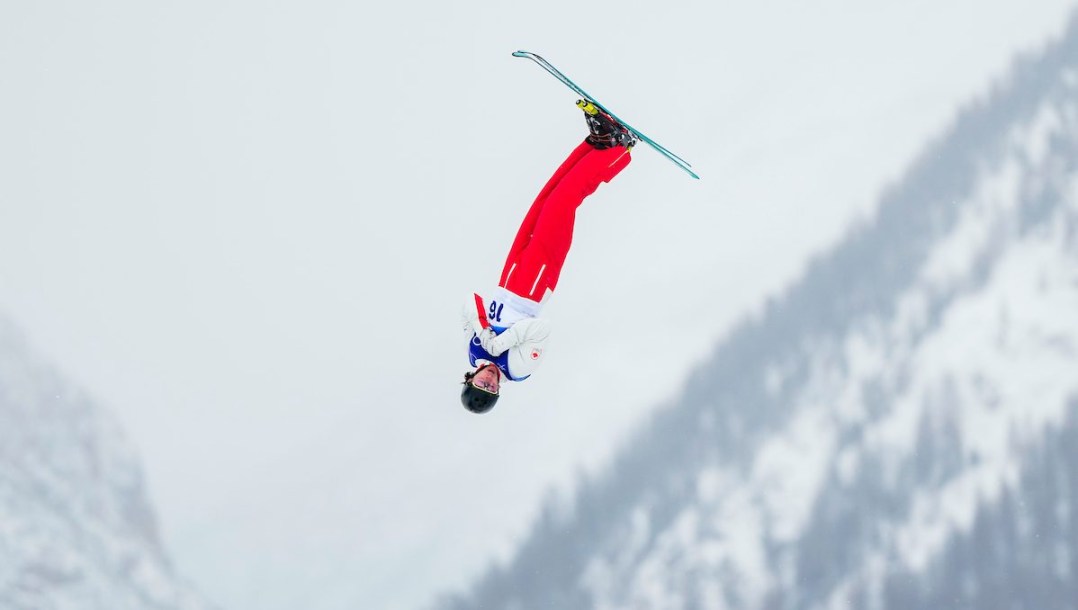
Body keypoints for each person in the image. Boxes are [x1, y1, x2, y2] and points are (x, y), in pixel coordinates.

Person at [460, 101, 637, 414]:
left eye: (480, 384)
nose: (488, 381)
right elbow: (542, 330)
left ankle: (597, 142)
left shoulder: (476, 353)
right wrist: (501, 343)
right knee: (563, 203)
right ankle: (617, 150)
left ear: (470, 378)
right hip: (532, 288)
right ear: (499, 390)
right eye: (491, 389)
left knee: (545, 199)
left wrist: (484, 331)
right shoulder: (517, 369)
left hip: (509, 277)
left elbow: (470, 301)